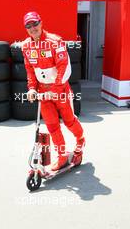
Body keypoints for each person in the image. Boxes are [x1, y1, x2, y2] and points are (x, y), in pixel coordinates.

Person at [21, 11, 85, 171]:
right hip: (43, 93)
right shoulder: (26, 46)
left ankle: (80, 140)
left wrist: (56, 89)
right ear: (26, 29)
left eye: (35, 23)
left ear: (41, 23)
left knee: (69, 121)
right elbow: (30, 70)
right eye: (28, 25)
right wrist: (31, 89)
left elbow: (63, 66)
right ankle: (62, 157)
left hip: (60, 90)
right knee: (52, 126)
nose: (32, 28)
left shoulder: (55, 41)